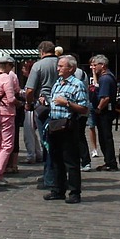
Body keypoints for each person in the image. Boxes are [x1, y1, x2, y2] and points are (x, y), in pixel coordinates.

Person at [42, 54, 90, 204]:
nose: (58, 69)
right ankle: (58, 189)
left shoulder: (77, 85)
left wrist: (67, 103)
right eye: (58, 66)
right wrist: (45, 101)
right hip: (54, 124)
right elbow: (54, 102)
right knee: (56, 159)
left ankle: (74, 192)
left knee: (71, 160)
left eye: (61, 66)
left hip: (68, 126)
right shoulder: (57, 83)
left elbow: (84, 108)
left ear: (71, 68)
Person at [25, 41, 60, 189]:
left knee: (46, 142)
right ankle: (53, 175)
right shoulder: (63, 63)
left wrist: (30, 102)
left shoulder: (38, 65)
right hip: (61, 106)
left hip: (44, 106)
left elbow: (29, 90)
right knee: (58, 143)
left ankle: (50, 178)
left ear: (41, 52)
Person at [0, 53, 22, 185]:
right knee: (8, 144)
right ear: (7, 65)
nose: (12, 68)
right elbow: (11, 99)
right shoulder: (5, 78)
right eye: (11, 65)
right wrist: (20, 103)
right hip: (6, 113)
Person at [89, 55, 119, 171]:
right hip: (106, 111)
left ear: (103, 65)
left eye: (95, 65)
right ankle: (109, 161)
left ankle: (110, 162)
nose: (93, 67)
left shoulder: (105, 79)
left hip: (105, 112)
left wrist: (99, 109)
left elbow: (105, 97)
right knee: (104, 136)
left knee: (105, 137)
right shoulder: (106, 77)